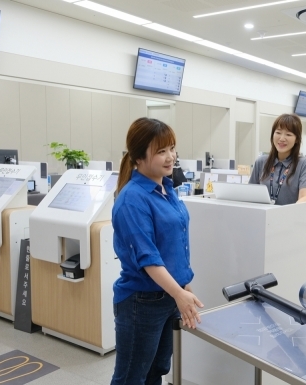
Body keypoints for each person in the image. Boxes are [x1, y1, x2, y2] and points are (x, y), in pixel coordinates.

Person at [111, 117, 204, 385]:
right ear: (139, 157)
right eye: (161, 151)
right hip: (142, 301)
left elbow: (175, 245)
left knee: (157, 370)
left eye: (172, 148)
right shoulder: (132, 199)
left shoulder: (167, 188)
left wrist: (183, 287)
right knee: (131, 377)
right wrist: (179, 292)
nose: (170, 157)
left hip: (169, 297)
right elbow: (148, 258)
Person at [249, 113, 306, 205]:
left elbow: (305, 197)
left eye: (288, 134)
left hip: (289, 217)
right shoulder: (261, 161)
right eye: (278, 133)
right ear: (272, 135)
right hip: (262, 216)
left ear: (297, 139)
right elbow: (250, 193)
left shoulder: (304, 164)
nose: (282, 138)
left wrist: (288, 212)